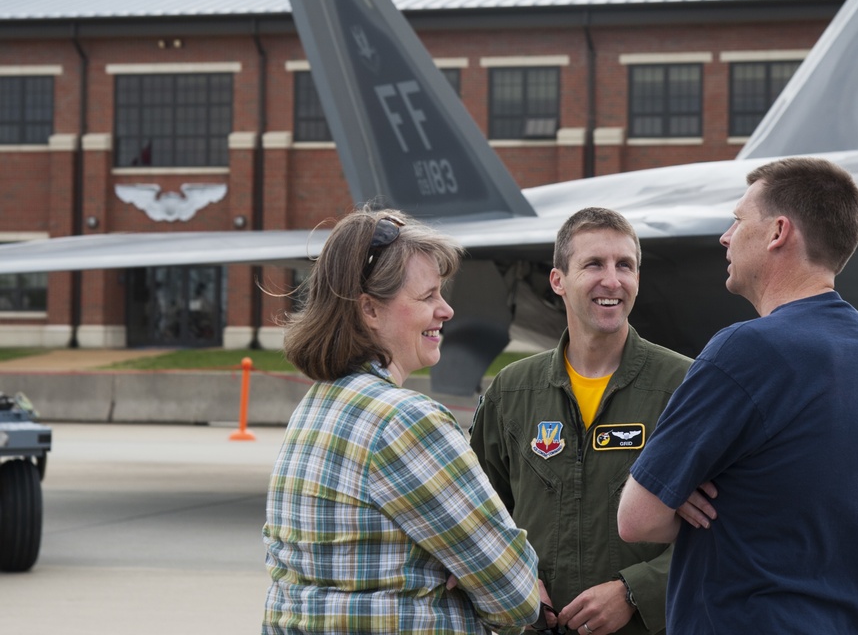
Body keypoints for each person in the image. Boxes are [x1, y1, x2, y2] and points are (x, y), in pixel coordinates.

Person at [618, 157, 858, 633]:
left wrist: (676, 491)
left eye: (737, 220)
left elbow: (638, 519)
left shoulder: (748, 347)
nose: (725, 237)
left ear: (777, 232)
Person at [262, 207, 540, 635]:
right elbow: (516, 596)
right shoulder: (405, 422)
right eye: (428, 297)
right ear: (370, 310)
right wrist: (469, 577)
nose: (446, 310)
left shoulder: (313, 409)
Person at [470, 207, 693, 635]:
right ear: (558, 280)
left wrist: (635, 592)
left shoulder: (684, 387)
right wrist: (516, 580)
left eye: (624, 265)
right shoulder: (512, 391)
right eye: (594, 264)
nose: (612, 280)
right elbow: (478, 513)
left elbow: (725, 525)